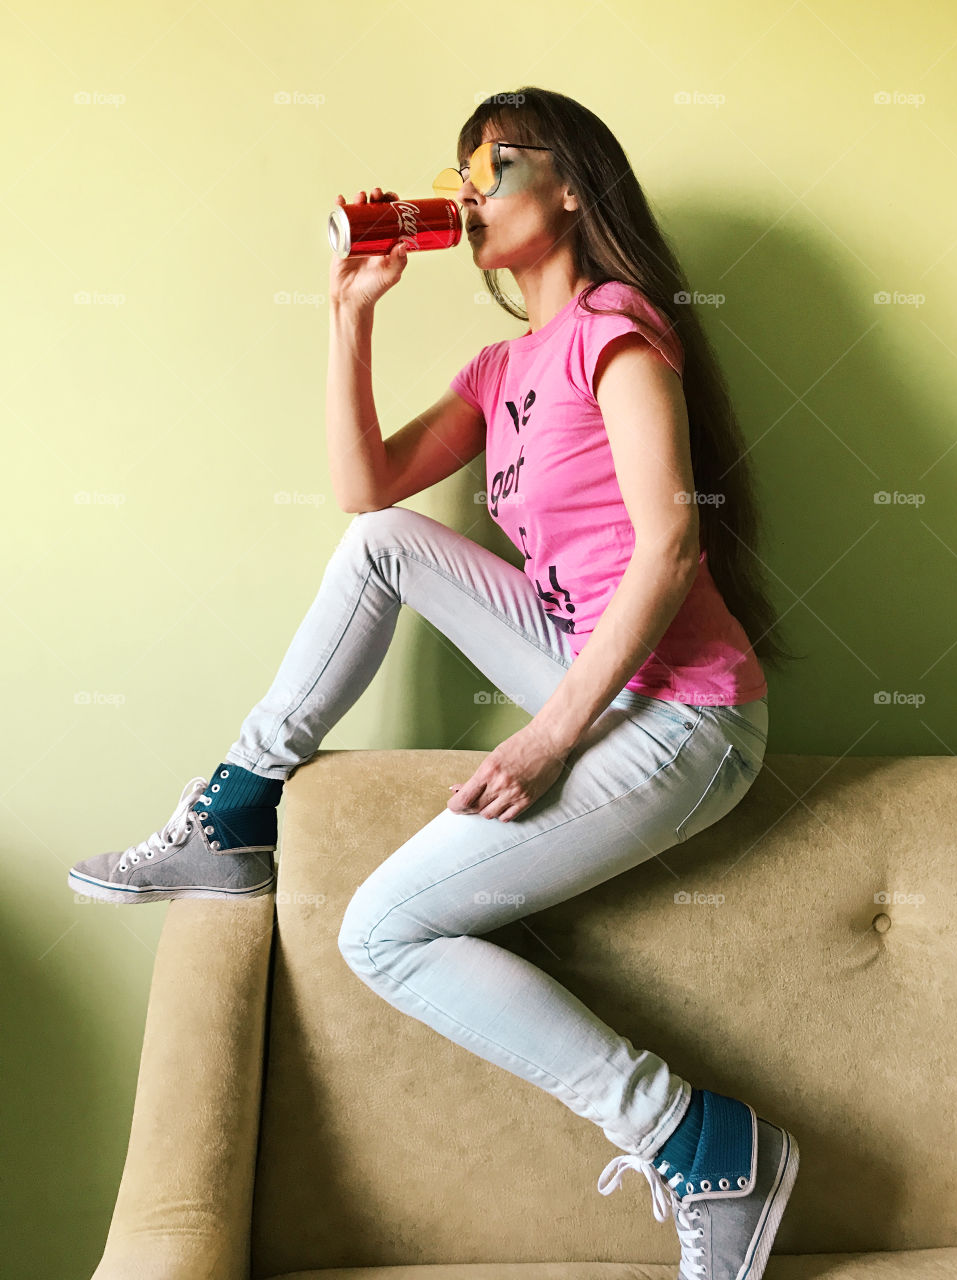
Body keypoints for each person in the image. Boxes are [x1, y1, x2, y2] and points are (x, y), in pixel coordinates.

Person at [69, 87, 801, 1278]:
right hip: (587, 667)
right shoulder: (501, 366)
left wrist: (546, 741)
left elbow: (671, 548)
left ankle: (698, 1137)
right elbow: (368, 490)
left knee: (381, 929)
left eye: (497, 165)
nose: (469, 190)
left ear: (572, 188)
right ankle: (241, 803)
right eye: (462, 171)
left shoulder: (615, 327)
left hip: (686, 715)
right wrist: (349, 315)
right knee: (379, 545)